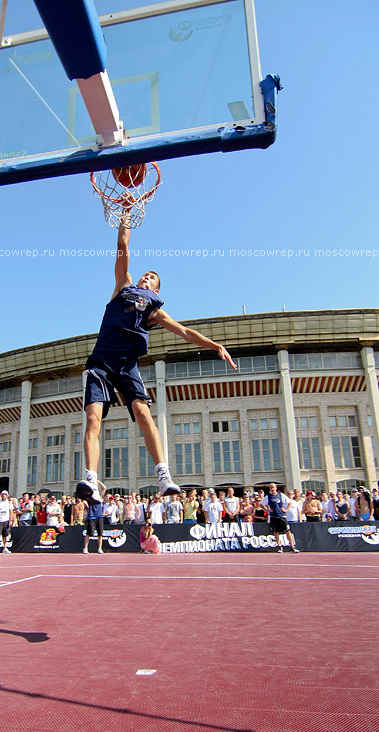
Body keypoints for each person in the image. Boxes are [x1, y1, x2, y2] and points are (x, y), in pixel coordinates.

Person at [76, 219, 236, 505]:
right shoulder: (122, 287)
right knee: (92, 419)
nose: (146, 277)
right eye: (145, 275)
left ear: (156, 292)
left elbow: (185, 332)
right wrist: (125, 219)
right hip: (100, 363)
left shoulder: (155, 312)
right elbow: (122, 247)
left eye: (152, 278)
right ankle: (90, 477)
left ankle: (163, 475)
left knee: (143, 414)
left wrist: (215, 345)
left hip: (127, 366)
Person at [261, 483, 299, 553]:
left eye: (273, 487)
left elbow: (289, 502)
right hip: (273, 516)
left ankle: (292, 546)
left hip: (282, 516)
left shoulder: (281, 495)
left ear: (276, 488)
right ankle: (279, 546)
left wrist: (286, 510)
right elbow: (261, 504)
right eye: (271, 488)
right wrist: (267, 510)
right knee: (276, 532)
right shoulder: (268, 497)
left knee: (288, 531)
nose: (272, 489)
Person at [83, 480, 107, 554]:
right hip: (91, 516)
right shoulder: (89, 498)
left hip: (99, 516)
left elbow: (104, 488)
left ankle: (100, 548)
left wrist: (98, 482)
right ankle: (85, 548)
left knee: (100, 534)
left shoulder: (99, 497)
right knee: (88, 533)